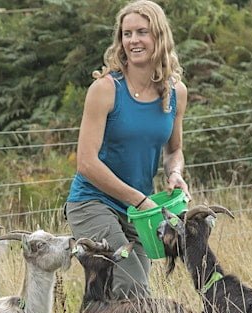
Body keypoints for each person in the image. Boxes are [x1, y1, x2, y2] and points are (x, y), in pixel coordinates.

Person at [65, 0, 191, 298]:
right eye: (127, 33)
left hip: (139, 212)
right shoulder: (105, 90)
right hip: (93, 203)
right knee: (133, 286)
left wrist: (174, 173)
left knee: (113, 295)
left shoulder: (176, 93)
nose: (133, 40)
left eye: (142, 32)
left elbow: (174, 150)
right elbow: (86, 163)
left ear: (159, 37)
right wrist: (139, 199)